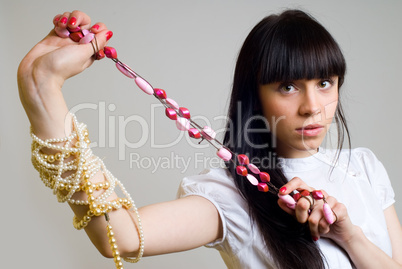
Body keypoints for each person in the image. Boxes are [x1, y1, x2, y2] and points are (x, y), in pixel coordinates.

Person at [18, 9, 402, 269]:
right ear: (255, 94)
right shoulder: (231, 193)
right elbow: (118, 236)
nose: (312, 106)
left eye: (324, 83)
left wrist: (349, 236)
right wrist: (41, 89)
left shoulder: (364, 167)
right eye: (288, 86)